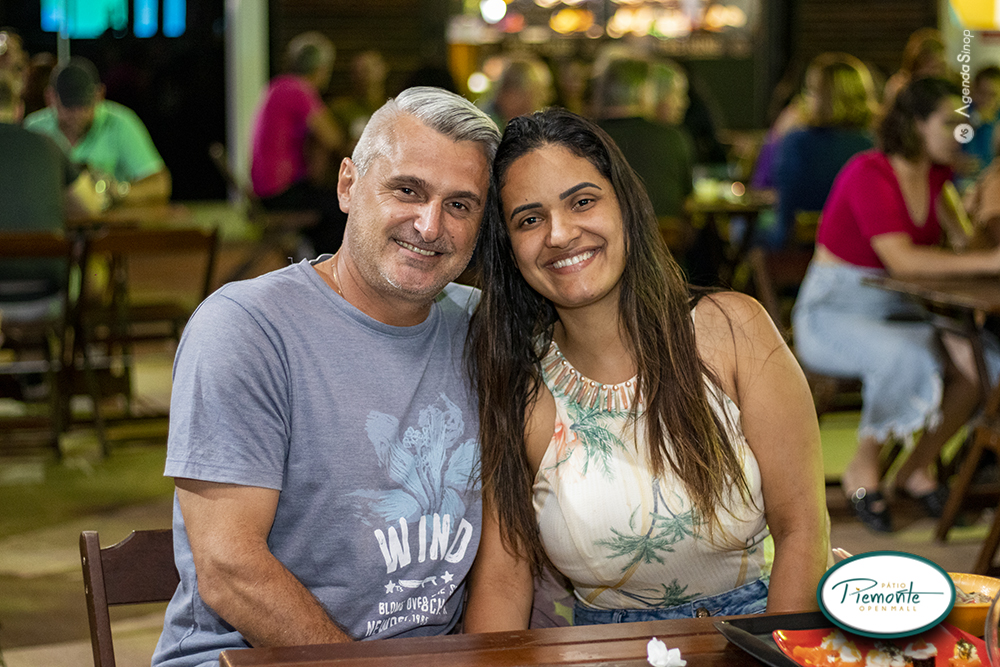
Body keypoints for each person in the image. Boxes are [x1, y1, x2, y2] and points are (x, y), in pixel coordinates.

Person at [152, 87, 500, 666]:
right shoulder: (247, 329)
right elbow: (229, 568)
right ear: (347, 186)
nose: (429, 224)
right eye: (407, 190)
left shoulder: (484, 330)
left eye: (460, 205)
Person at [464, 108, 829, 630]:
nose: (560, 234)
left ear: (626, 206)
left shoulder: (733, 330)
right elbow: (504, 579)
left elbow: (804, 530)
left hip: (758, 629)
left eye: (582, 201)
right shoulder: (519, 384)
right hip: (606, 648)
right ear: (509, 247)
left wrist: (776, 652)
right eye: (530, 219)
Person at [792, 77, 1000, 533]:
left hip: (902, 313)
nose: (961, 133)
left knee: (985, 362)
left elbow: (965, 246)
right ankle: (862, 467)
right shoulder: (869, 172)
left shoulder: (939, 176)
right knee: (908, 357)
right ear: (915, 124)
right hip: (834, 314)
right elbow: (902, 261)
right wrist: (988, 259)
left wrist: (980, 205)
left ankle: (915, 469)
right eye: (949, 123)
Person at [0, 73, 101, 322]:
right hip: (48, 295)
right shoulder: (49, 145)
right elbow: (91, 206)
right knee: (97, 271)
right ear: (19, 109)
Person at [23, 56, 171, 207]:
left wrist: (120, 192)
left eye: (83, 105)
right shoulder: (33, 129)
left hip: (108, 219)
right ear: (50, 98)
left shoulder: (120, 123)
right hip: (51, 217)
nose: (77, 113)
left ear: (99, 95)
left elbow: (160, 184)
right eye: (68, 106)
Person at [250, 31, 348, 255]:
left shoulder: (277, 85)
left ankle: (311, 260)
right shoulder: (299, 90)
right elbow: (332, 138)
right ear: (321, 68)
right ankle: (325, 268)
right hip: (279, 194)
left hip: (264, 190)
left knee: (329, 201)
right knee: (342, 208)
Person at [768, 53, 876, 248]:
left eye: (810, 90)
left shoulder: (797, 142)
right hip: (858, 246)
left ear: (822, 97)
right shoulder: (874, 145)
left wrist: (778, 135)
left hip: (797, 244)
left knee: (746, 232)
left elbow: (785, 210)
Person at [592, 55, 692, 222]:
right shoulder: (672, 137)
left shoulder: (582, 138)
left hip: (607, 236)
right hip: (663, 236)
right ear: (644, 91)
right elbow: (686, 198)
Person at [881, 28, 947, 112]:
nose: (935, 74)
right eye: (932, 68)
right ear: (916, 66)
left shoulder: (947, 90)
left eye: (940, 67)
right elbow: (888, 116)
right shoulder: (900, 88)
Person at [961, 65, 1000, 180]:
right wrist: (976, 119)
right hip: (964, 177)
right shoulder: (963, 110)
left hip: (991, 178)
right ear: (973, 91)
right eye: (982, 93)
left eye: (993, 95)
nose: (986, 100)